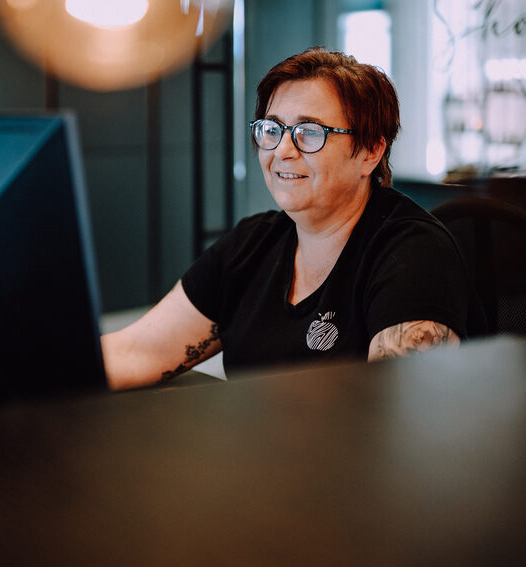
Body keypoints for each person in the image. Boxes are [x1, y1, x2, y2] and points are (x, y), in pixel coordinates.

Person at [102, 47, 480, 390]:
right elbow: (139, 352)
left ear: (370, 151)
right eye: (272, 129)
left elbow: (403, 415)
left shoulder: (413, 254)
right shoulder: (250, 245)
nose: (282, 150)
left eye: (309, 132)